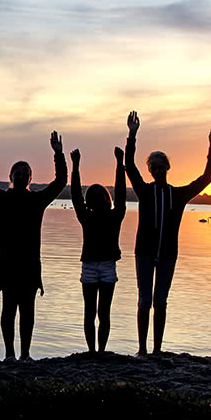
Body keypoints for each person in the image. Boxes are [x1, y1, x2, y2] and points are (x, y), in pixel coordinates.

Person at [125, 111, 211, 355]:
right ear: (150, 170)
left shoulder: (178, 195)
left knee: (161, 302)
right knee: (144, 300)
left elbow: (207, 178)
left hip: (168, 254)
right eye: (153, 167)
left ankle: (157, 350)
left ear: (168, 167)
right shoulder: (144, 192)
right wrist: (132, 135)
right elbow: (129, 166)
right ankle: (142, 350)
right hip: (144, 252)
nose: (157, 169)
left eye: (161, 166)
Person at [0, 127, 67, 361]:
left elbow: (60, 182)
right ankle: (9, 354)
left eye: (25, 173)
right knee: (8, 309)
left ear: (30, 179)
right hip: (7, 263)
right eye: (18, 172)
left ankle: (25, 354)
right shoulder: (1, 199)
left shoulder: (37, 200)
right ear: (11, 177)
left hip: (30, 264)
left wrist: (58, 154)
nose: (21, 175)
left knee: (27, 310)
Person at [70, 147, 126, 354]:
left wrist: (120, 164)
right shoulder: (85, 216)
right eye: (93, 196)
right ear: (89, 201)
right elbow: (75, 195)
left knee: (104, 312)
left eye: (101, 195)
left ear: (106, 198)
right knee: (89, 311)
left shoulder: (116, 215)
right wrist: (75, 167)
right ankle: (92, 351)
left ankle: (101, 351)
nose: (98, 198)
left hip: (108, 266)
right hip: (90, 266)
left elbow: (120, 193)